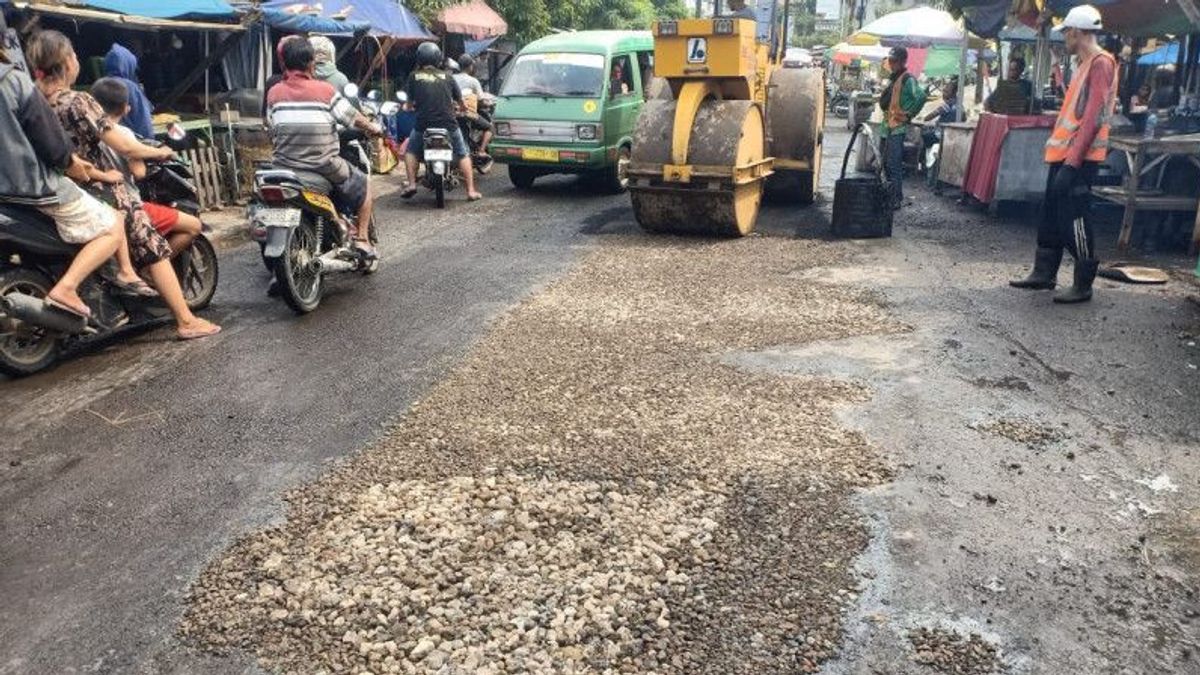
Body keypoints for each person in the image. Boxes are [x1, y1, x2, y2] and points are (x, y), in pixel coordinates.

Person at [27, 29, 221, 339]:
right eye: (75, 55)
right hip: (102, 189)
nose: (77, 60)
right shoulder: (78, 101)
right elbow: (126, 146)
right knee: (155, 250)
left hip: (61, 188)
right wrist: (160, 150)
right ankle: (186, 320)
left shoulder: (33, 101)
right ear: (65, 62)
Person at [0, 45, 122, 320]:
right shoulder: (13, 80)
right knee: (113, 225)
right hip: (34, 188)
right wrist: (72, 165)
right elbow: (51, 141)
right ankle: (67, 287)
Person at [1010, 4, 1116, 304]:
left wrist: (1072, 164)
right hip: (1065, 155)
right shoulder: (1085, 64)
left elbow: (1094, 117)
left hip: (1079, 160)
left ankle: (1083, 284)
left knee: (1075, 218)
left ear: (1076, 32)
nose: (1065, 38)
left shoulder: (1100, 63)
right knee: (1051, 216)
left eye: (1067, 32)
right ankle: (1044, 273)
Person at [266, 37, 383, 255]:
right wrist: (373, 127)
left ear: (284, 63)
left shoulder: (273, 93)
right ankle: (362, 239)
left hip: (282, 167)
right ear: (312, 63)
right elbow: (353, 117)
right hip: (322, 165)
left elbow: (272, 127)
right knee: (365, 186)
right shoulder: (326, 90)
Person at [91, 77, 202, 257]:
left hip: (94, 202)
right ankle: (151, 270)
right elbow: (139, 172)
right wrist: (157, 153)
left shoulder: (83, 131)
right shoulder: (124, 134)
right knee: (193, 226)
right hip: (126, 204)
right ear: (126, 107)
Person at [400, 42, 481, 202]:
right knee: (463, 153)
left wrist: (406, 107)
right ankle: (471, 191)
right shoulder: (448, 77)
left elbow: (409, 105)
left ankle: (411, 184)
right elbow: (462, 104)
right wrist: (463, 109)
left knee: (411, 152)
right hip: (448, 124)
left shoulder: (414, 76)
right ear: (438, 58)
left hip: (424, 124)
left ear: (420, 58)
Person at [877, 46, 926, 209]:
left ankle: (896, 199)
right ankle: (885, 195)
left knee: (893, 165)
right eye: (890, 61)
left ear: (902, 62)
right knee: (883, 164)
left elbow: (921, 96)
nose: (891, 64)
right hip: (886, 127)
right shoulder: (894, 78)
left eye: (894, 61)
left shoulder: (907, 79)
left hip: (897, 128)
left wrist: (909, 115)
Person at [103, 43, 154, 140]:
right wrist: (150, 143)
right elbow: (143, 121)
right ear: (128, 64)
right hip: (131, 142)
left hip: (109, 141)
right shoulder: (130, 86)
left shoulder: (99, 86)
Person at [451, 54, 493, 161]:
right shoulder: (473, 81)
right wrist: (489, 103)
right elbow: (481, 100)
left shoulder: (451, 78)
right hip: (467, 114)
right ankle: (481, 151)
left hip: (450, 114)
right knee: (490, 128)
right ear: (470, 66)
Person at [919, 80, 957, 177]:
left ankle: (923, 165)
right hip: (952, 136)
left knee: (923, 137)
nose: (944, 94)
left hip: (941, 135)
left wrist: (924, 118)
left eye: (946, 92)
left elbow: (930, 116)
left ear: (953, 93)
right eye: (943, 91)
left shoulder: (948, 105)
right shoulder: (960, 106)